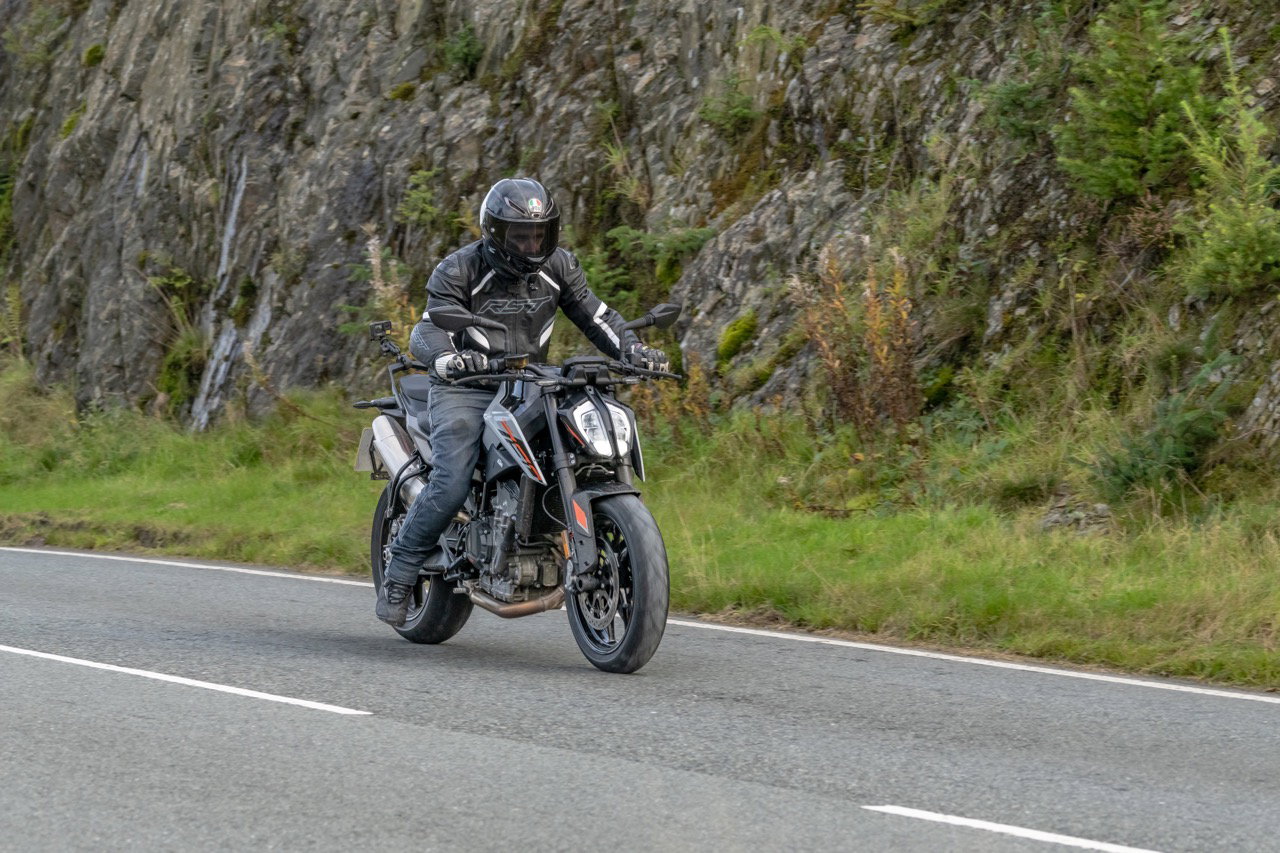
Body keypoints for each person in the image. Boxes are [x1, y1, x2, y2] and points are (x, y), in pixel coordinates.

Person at [376, 177, 670, 626]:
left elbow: (597, 317)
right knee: (453, 480)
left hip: (530, 382)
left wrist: (634, 352)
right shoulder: (459, 269)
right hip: (467, 387)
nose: (532, 244)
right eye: (520, 235)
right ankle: (399, 573)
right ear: (494, 232)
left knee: (577, 444)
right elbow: (427, 329)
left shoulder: (559, 266)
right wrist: (448, 359)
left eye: (539, 234)